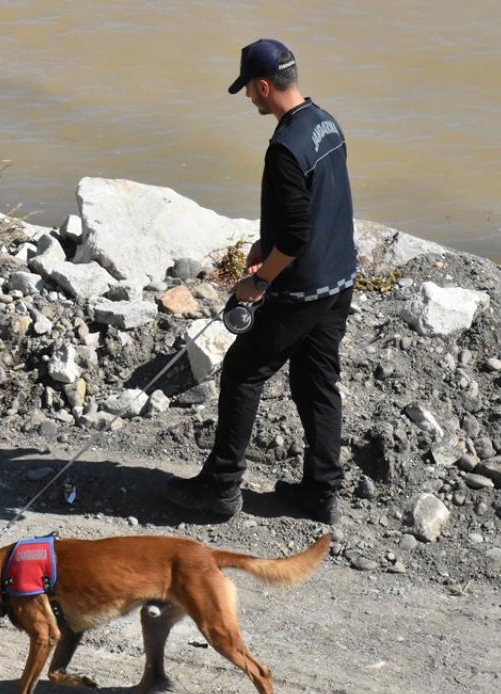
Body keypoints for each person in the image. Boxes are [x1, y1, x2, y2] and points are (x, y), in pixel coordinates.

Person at [166, 38, 359, 524]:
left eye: (249, 90)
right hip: (339, 278)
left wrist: (259, 281)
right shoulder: (325, 124)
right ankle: (320, 493)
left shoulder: (284, 150)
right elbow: (317, 208)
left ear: (264, 85)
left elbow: (296, 234)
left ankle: (222, 486)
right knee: (318, 383)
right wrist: (262, 244)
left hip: (301, 287)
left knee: (243, 372)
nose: (249, 98)